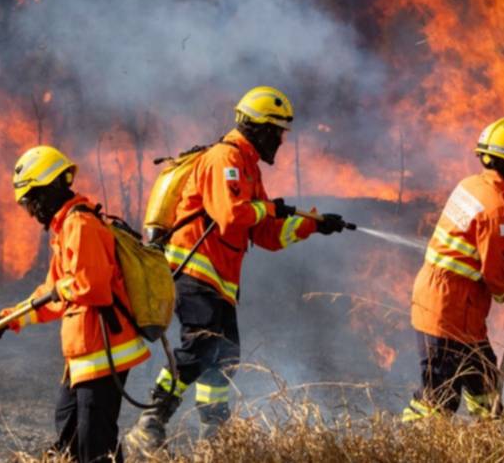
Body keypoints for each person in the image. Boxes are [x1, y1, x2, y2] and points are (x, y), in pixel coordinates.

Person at [126, 86, 348, 449]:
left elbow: (265, 235)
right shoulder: (224, 160)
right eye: (276, 131)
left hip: (221, 282)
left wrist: (313, 224)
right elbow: (231, 217)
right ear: (258, 127)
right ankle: (150, 421)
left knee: (225, 357)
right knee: (201, 345)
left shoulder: (248, 168)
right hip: (193, 271)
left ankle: (215, 436)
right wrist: (272, 208)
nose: (279, 140)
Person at [0, 145, 151, 462]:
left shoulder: (80, 226)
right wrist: (7, 321)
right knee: (70, 440)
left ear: (51, 187)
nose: (31, 211)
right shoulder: (65, 228)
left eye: (32, 200)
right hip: (82, 357)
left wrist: (61, 289)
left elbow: (93, 288)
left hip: (103, 352)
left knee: (95, 446)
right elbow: (51, 292)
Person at [403, 117, 504, 420]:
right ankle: (410, 449)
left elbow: (498, 217)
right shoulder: (496, 206)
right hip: (449, 311)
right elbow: (495, 273)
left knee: (485, 384)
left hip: (457, 308)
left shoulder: (474, 186)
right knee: (437, 401)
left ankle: (488, 443)